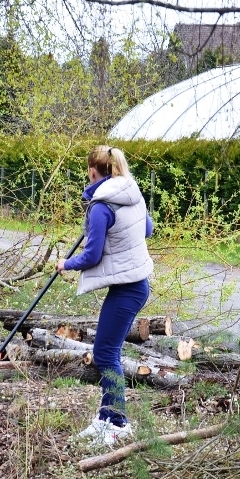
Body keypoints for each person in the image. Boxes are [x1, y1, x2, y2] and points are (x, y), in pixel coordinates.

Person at [56, 146, 154, 447]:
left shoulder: (100, 207)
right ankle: (104, 419)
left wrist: (66, 263)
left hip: (128, 288)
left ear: (92, 171)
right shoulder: (132, 195)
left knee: (105, 354)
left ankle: (119, 423)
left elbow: (93, 255)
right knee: (105, 351)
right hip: (136, 284)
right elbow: (147, 230)